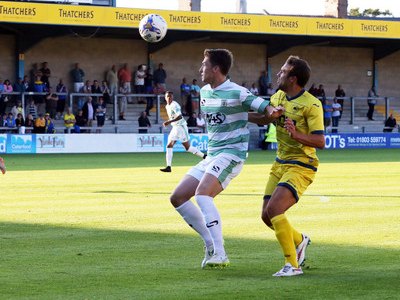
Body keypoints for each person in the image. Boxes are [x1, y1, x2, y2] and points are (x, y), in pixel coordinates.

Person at [168, 49, 283, 270]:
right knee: (178, 197)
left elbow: (263, 108)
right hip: (213, 154)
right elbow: (235, 114)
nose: (200, 68)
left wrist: (272, 111)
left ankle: (219, 253)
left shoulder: (238, 92)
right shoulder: (204, 92)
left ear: (216, 69)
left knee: (203, 195)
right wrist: (242, 115)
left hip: (232, 153)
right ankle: (210, 244)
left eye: (204, 64)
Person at [250, 55, 325, 277]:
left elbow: (320, 142)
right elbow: (266, 118)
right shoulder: (279, 96)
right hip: (280, 162)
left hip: (302, 164)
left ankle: (292, 265)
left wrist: (296, 134)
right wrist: (238, 116)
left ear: (293, 78)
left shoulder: (311, 104)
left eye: (283, 71)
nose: (278, 74)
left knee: (275, 210)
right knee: (266, 216)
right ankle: (300, 240)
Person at [160, 90, 207, 173]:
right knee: (169, 145)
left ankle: (205, 157)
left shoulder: (175, 105)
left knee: (187, 148)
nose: (169, 98)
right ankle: (168, 166)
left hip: (181, 127)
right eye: (168, 96)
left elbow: (180, 117)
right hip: (175, 127)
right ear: (165, 97)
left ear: (173, 97)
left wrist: (168, 122)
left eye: (171, 96)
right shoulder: (167, 106)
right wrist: (170, 122)